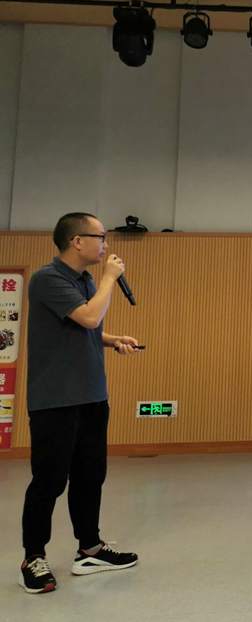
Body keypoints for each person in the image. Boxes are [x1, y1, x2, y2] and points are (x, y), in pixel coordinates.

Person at [19, 213, 142, 594]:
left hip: (92, 395)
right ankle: (33, 556)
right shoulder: (47, 278)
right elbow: (88, 317)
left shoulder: (84, 280)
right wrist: (109, 279)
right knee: (50, 480)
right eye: (100, 237)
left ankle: (90, 548)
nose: (106, 244)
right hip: (55, 399)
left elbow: (83, 324)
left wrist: (111, 339)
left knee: (90, 475)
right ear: (77, 241)